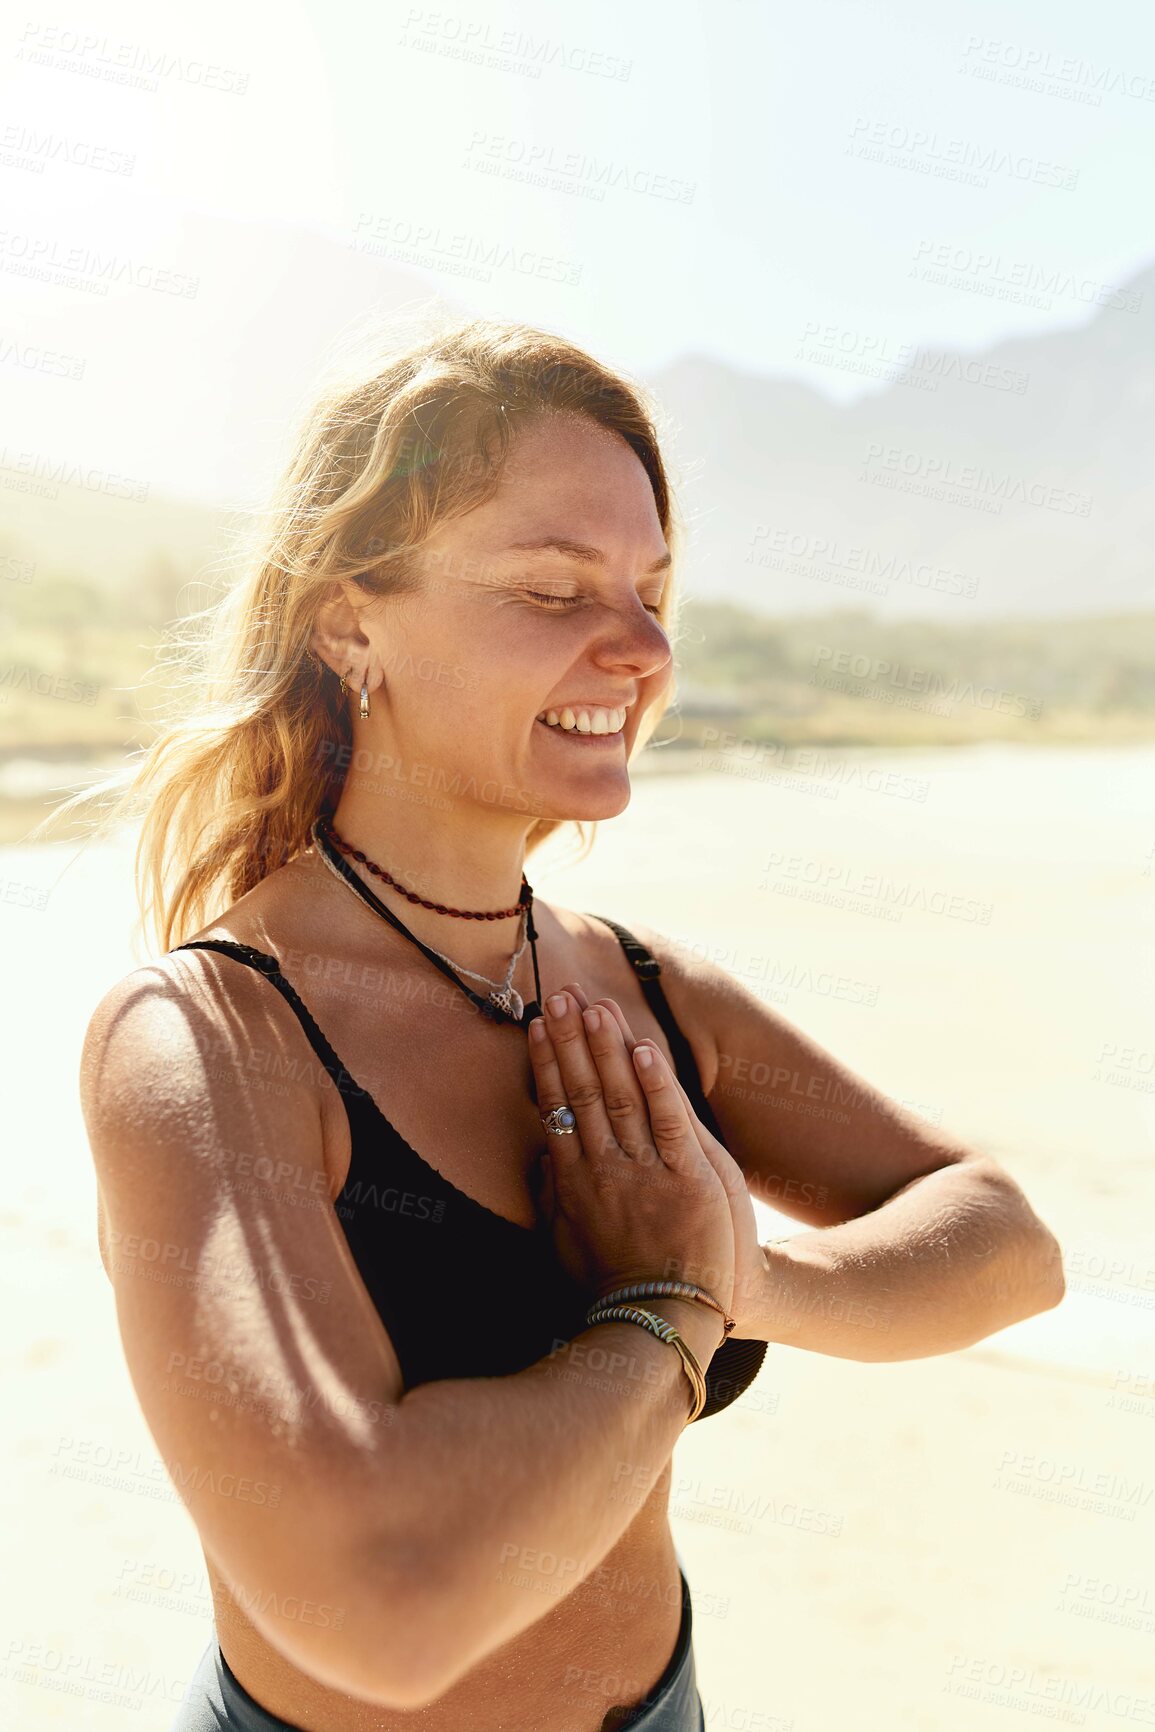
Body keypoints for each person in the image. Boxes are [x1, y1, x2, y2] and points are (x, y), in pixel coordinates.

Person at [75, 315, 1065, 1731]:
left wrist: (739, 1276)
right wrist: (660, 1320)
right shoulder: (207, 1040)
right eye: (555, 591)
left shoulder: (644, 988)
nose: (643, 647)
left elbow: (1008, 1243)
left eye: (653, 590)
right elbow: (381, 1606)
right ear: (349, 620)